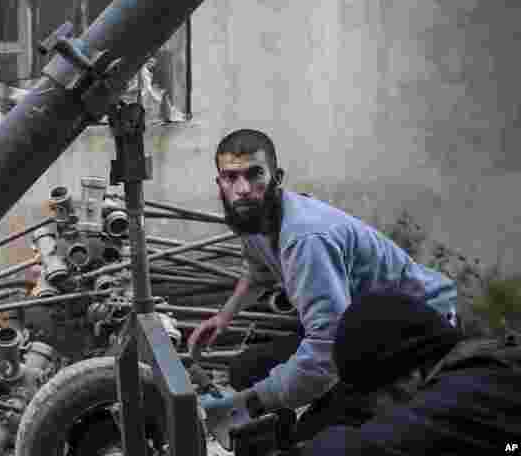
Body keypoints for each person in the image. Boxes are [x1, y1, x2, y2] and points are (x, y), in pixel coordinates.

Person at [191, 128, 457, 444]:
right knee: (245, 369)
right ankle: (281, 428)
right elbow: (258, 271)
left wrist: (247, 403)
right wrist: (224, 317)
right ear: (219, 183)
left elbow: (326, 348)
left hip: (415, 336)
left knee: (317, 437)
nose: (243, 188)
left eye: (254, 174)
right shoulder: (251, 217)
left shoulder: (305, 239)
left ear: (277, 177)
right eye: (231, 177)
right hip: (356, 326)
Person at [301, 289, 520, 455]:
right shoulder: (487, 368)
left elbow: (368, 448)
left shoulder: (464, 394)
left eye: (373, 403)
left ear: (408, 378)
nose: (376, 416)